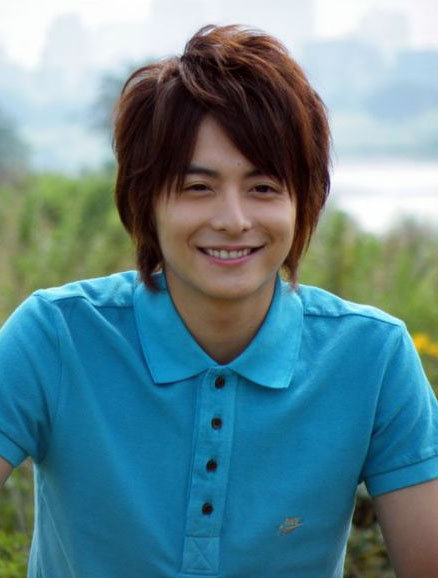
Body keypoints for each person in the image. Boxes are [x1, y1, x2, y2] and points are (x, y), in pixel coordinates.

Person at [0, 24, 438, 578]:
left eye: (263, 188)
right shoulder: (55, 336)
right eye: (197, 188)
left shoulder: (373, 356)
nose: (233, 220)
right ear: (145, 201)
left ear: (303, 202)